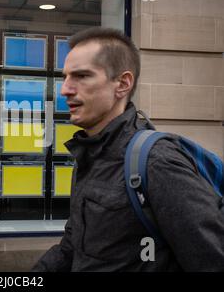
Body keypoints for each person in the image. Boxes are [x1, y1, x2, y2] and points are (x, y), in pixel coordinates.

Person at [33, 27, 224, 272]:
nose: (65, 90)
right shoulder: (89, 155)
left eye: (81, 76)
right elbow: (72, 247)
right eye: (65, 77)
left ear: (122, 84)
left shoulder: (157, 162)